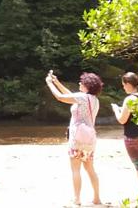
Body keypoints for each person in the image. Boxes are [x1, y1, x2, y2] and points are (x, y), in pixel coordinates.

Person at [45, 70, 103, 206]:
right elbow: (68, 95)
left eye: (82, 82)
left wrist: (49, 83)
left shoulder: (82, 97)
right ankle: (97, 198)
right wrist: (56, 81)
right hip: (89, 140)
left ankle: (77, 199)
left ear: (87, 86)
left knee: (76, 170)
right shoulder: (95, 100)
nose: (79, 83)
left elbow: (60, 97)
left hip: (77, 139)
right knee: (90, 169)